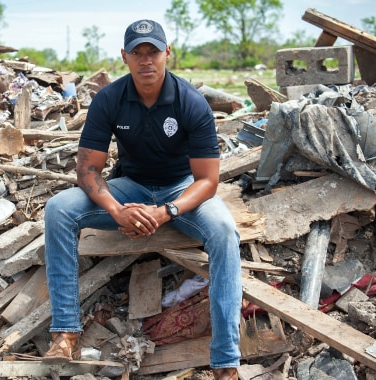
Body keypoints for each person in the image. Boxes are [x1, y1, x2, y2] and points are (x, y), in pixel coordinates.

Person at [42, 19, 242, 380]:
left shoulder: (190, 102)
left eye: (153, 51)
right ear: (124, 57)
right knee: (59, 209)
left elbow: (208, 181)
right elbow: (87, 171)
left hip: (180, 190)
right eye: (138, 52)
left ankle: (226, 362)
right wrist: (117, 211)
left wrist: (166, 212)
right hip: (129, 187)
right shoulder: (109, 99)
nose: (146, 60)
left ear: (168, 53)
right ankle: (65, 332)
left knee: (225, 232)